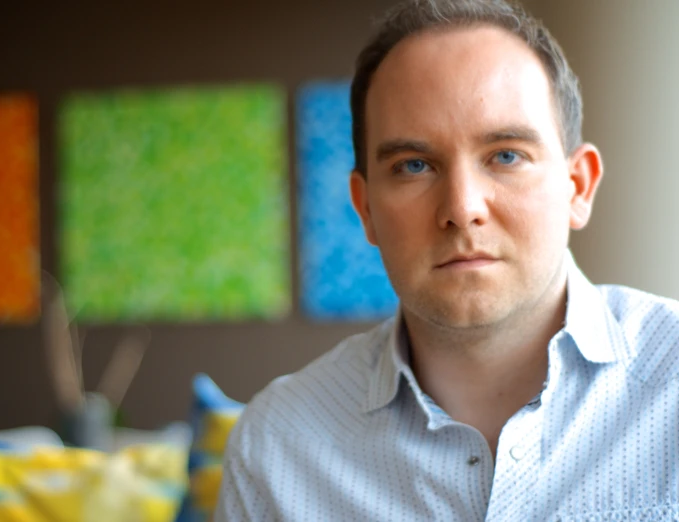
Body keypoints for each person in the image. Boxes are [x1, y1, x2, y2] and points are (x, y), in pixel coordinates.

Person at [215, 0, 679, 520]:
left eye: (506, 155)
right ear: (365, 208)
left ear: (578, 186)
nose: (461, 209)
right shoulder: (275, 449)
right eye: (414, 165)